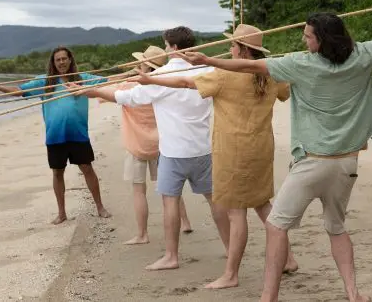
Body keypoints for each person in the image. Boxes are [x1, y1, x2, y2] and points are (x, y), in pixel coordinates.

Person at [181, 0, 372, 302]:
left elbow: (250, 67)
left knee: (276, 227)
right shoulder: (362, 55)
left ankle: (268, 297)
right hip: (346, 163)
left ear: (322, 40)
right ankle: (353, 293)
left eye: (308, 36)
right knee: (336, 228)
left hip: (312, 163)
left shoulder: (301, 65)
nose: (304, 41)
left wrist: (208, 59)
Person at [131, 24, 299, 289]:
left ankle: (231, 274)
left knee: (236, 212)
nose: (229, 48)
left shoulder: (225, 75)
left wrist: (152, 80)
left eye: (233, 45)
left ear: (243, 49)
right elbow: (286, 93)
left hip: (234, 151)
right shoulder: (272, 72)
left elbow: (186, 83)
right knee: (262, 204)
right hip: (261, 149)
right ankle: (288, 258)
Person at [69, 26, 230, 271]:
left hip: (174, 152)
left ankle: (172, 256)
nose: (165, 49)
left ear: (174, 47)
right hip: (202, 148)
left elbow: (126, 98)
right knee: (213, 200)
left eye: (166, 45)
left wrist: (88, 91)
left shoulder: (162, 75)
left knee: (170, 202)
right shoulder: (207, 70)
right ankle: (230, 248)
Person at [0, 46, 121, 225]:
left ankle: (100, 207)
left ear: (70, 60)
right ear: (53, 62)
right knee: (57, 173)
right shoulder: (45, 83)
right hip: (55, 136)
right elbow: (20, 90)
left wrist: (133, 74)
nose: (62, 62)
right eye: (58, 60)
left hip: (78, 134)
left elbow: (107, 81)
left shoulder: (82, 79)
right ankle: (62, 213)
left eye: (64, 59)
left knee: (87, 168)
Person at [82, 45, 194, 245]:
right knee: (171, 189)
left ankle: (142, 234)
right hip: (162, 145)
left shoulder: (129, 87)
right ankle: (185, 222)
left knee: (138, 190)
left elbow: (105, 94)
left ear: (145, 64)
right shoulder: (165, 84)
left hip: (138, 146)